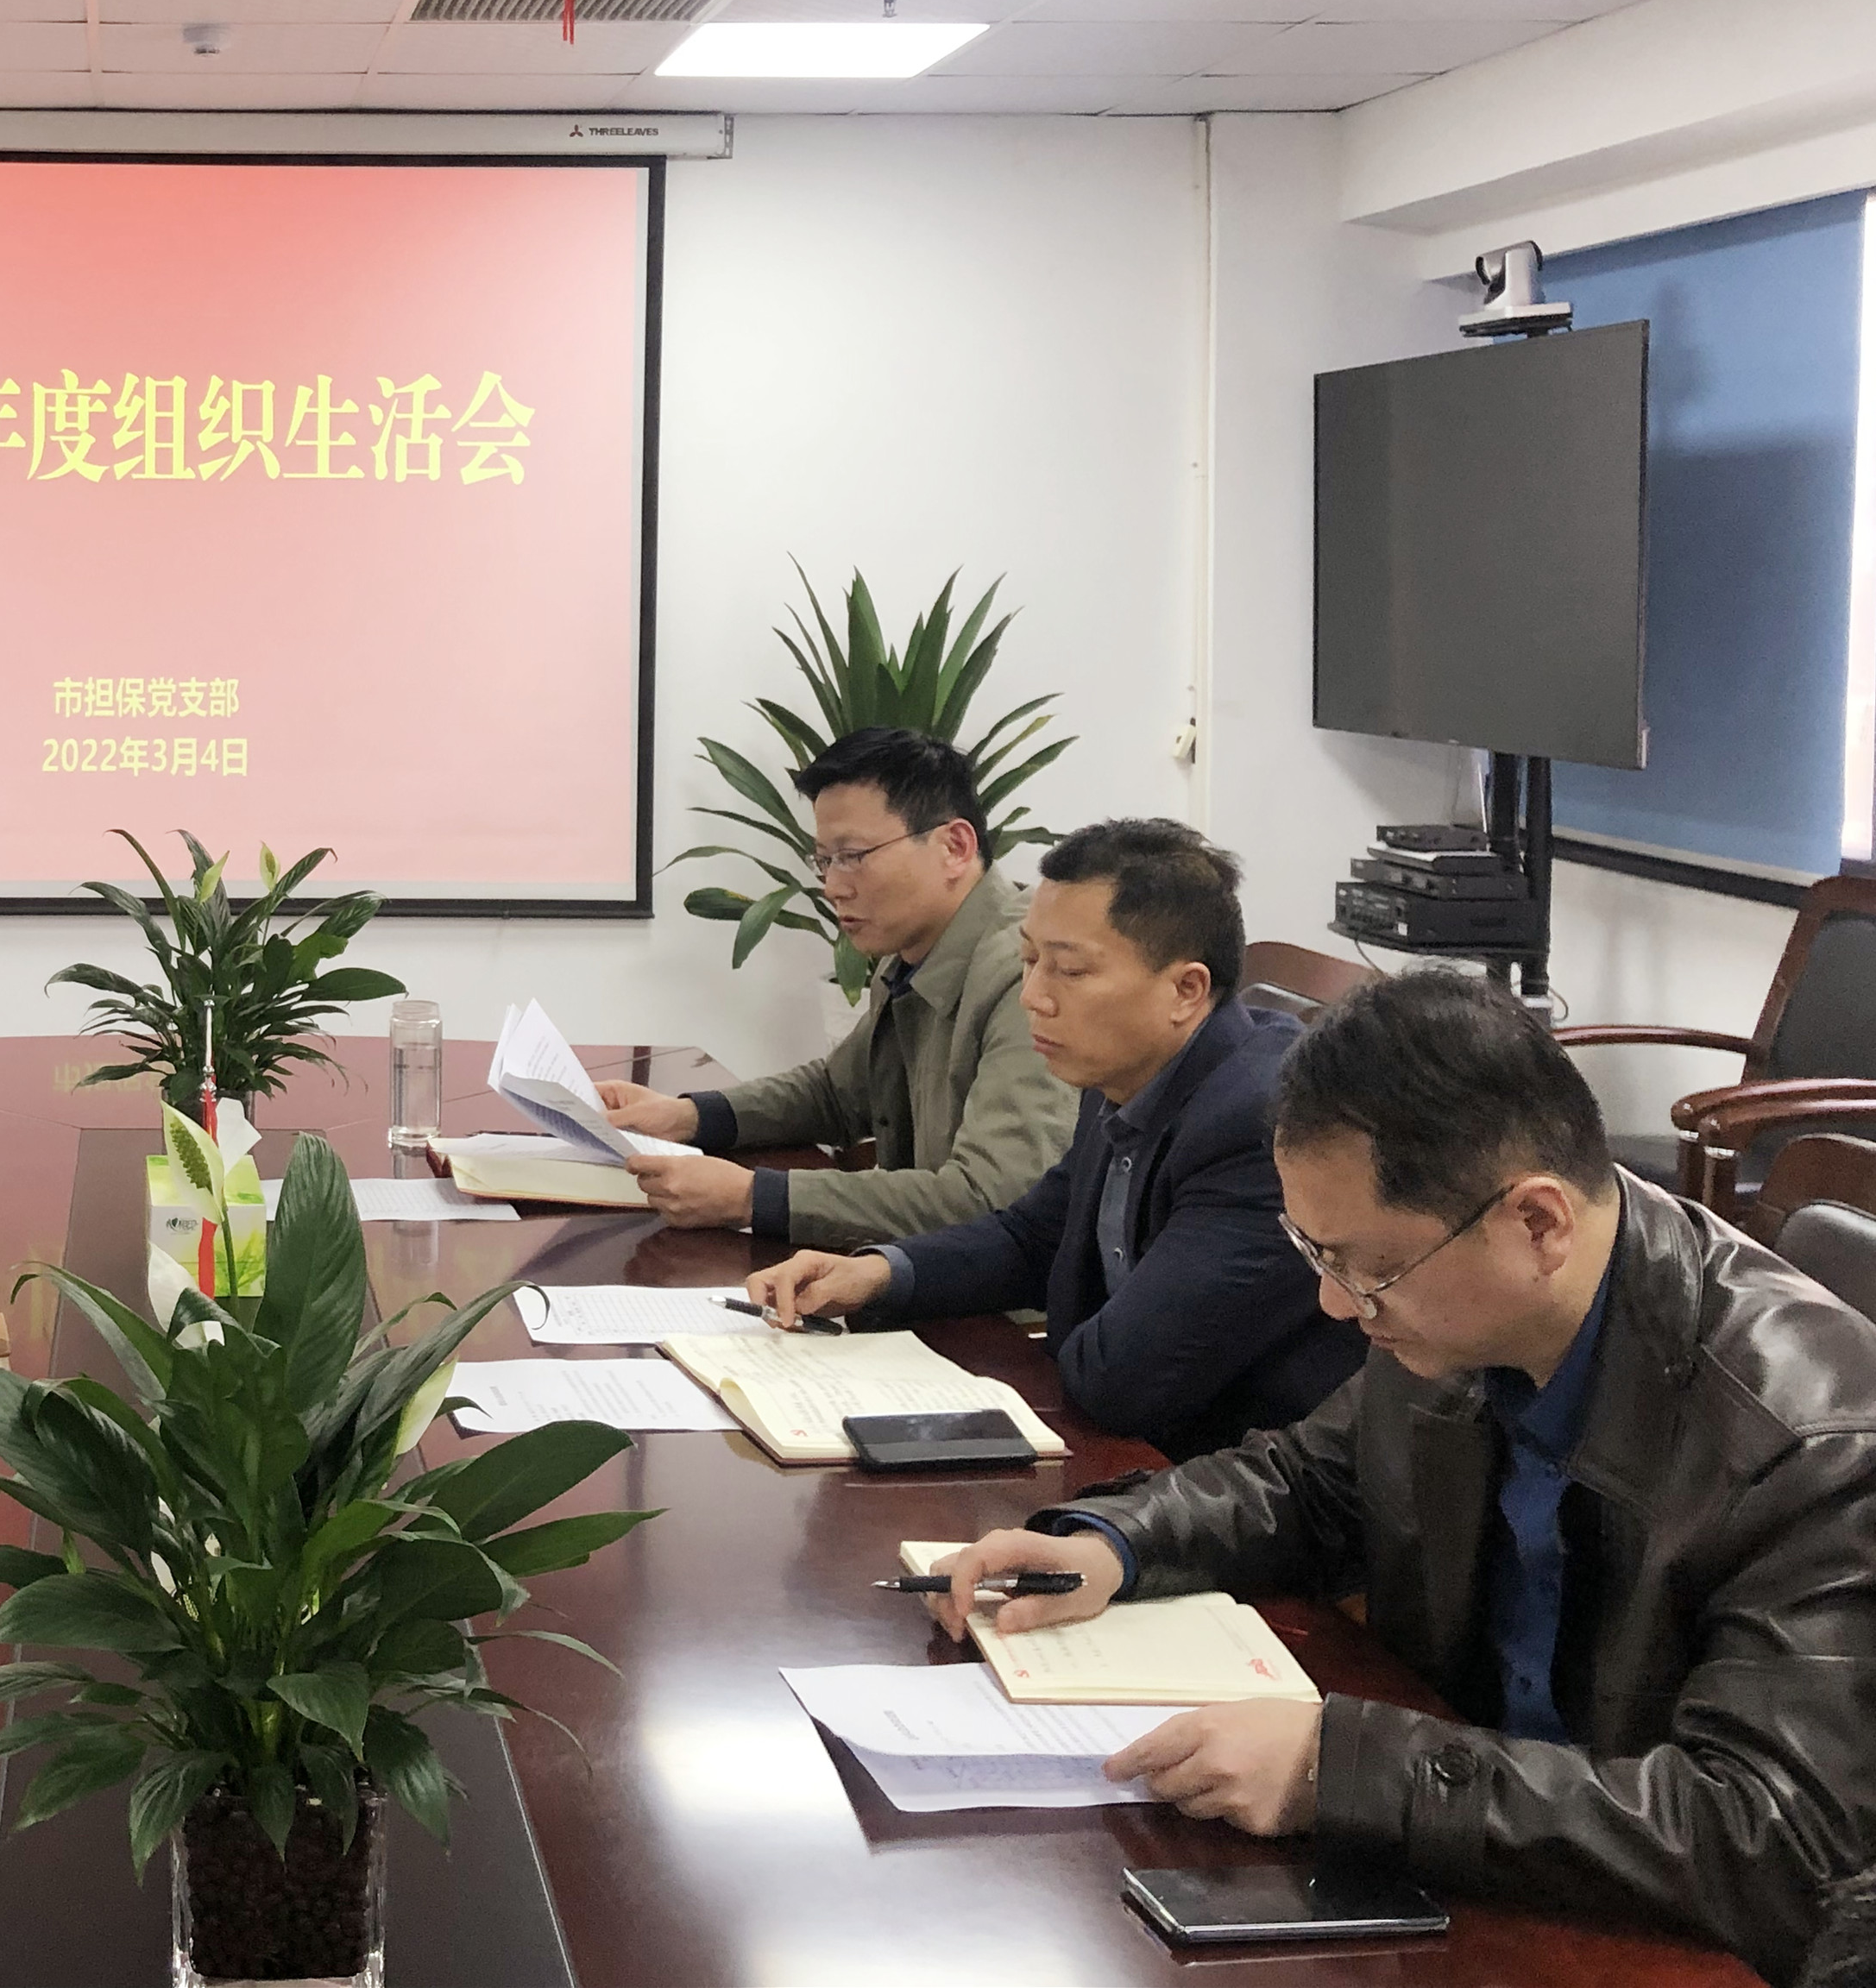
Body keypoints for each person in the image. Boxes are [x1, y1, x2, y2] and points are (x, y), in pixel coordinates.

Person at [929, 969, 1876, 1982]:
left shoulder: (1810, 1444)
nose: (1338, 1306)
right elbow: (1312, 1479)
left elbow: (1764, 1834)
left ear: (1540, 1224)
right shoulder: (1466, 1302)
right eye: (1315, 1254)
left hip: (1663, 1941)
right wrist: (1117, 1543)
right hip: (1476, 1867)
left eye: (1364, 1268)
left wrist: (1338, 1768)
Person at [746, 819, 1362, 1457]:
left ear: (1186, 990)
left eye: (1068, 970)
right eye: (1029, 960)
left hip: (1236, 1481)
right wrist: (877, 1274)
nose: (1034, 997)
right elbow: (1034, 1235)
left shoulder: (1260, 1126)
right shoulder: (1125, 1070)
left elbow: (1121, 1379)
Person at [595, 727, 1074, 1248]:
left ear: (954, 847)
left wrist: (753, 1197)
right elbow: (838, 1094)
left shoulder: (1027, 976)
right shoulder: (911, 950)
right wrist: (686, 1116)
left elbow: (992, 1199)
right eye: (825, 860)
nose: (832, 887)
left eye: (853, 855)